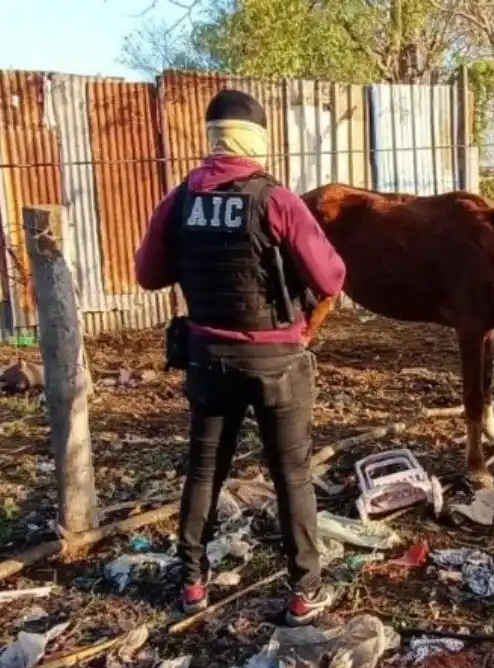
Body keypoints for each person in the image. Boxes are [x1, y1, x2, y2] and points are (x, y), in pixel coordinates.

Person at [134, 89, 346, 625]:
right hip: (277, 363)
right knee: (291, 475)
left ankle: (191, 583)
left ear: (211, 139)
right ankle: (304, 591)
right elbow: (330, 278)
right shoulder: (276, 200)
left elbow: (148, 275)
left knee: (204, 470)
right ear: (257, 140)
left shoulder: (180, 198)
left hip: (207, 358)